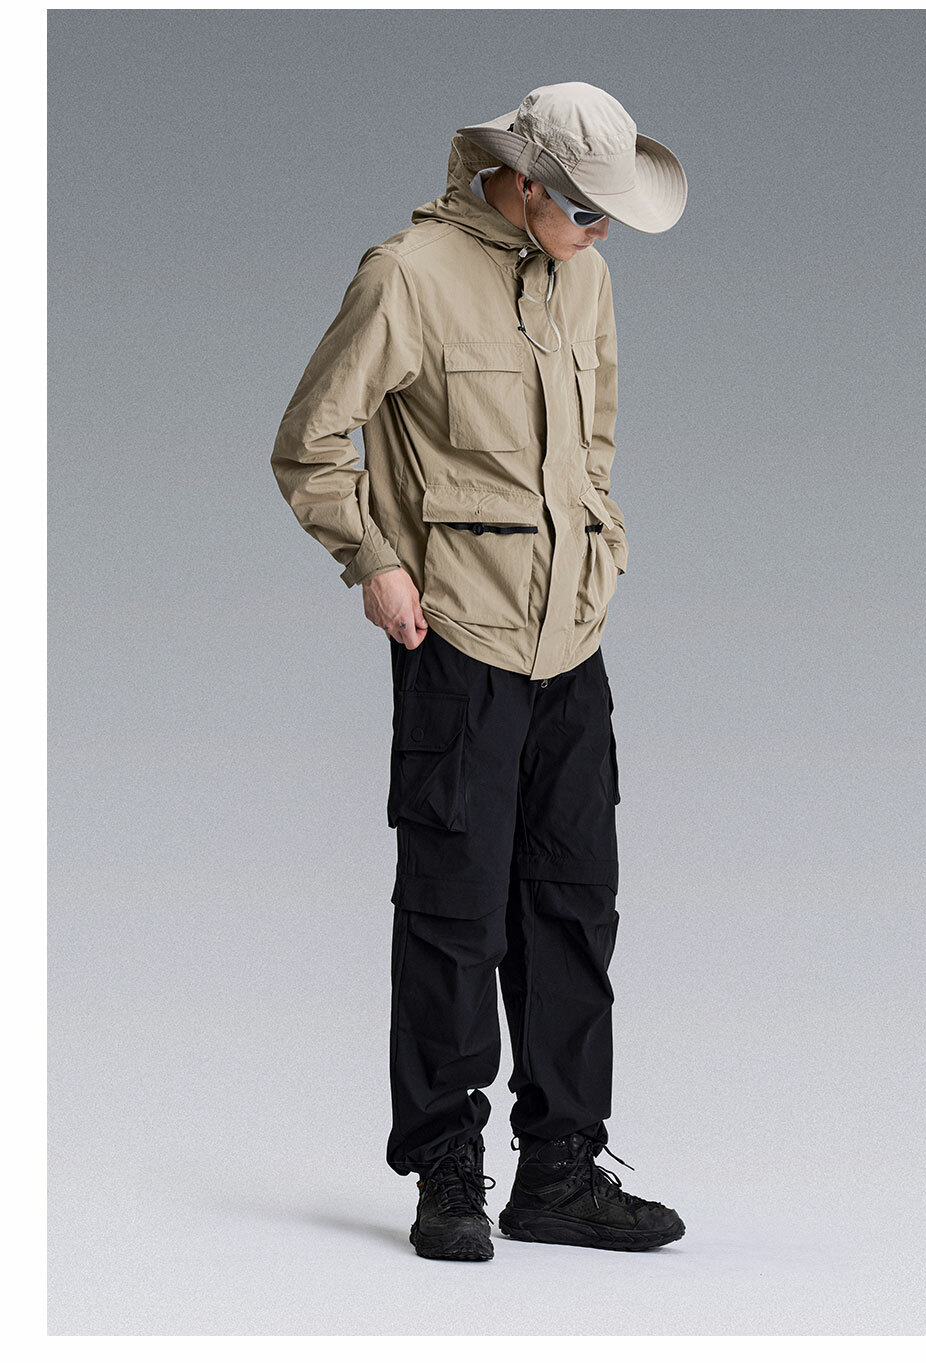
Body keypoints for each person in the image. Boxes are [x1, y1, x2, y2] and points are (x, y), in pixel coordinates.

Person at [270, 82, 688, 1261]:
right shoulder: (407, 276)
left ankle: (560, 1168)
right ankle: (445, 1167)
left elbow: (595, 440)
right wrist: (373, 562)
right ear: (526, 183)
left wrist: (605, 546)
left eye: (609, 216)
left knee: (575, 907)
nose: (601, 234)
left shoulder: (586, 279)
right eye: (588, 212)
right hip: (458, 640)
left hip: (574, 647)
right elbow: (310, 441)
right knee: (454, 911)